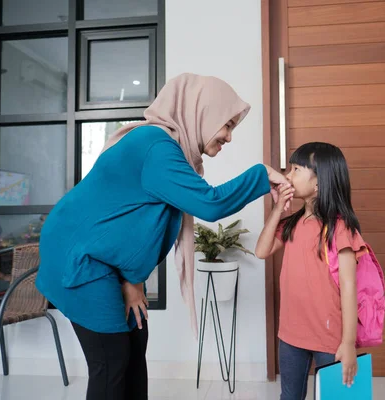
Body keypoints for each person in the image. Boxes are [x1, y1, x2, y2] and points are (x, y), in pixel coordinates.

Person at [35, 73, 289, 400]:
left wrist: (132, 280)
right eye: (226, 124)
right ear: (201, 112)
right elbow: (209, 204)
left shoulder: (169, 152)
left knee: (135, 339)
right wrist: (261, 174)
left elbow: (134, 225)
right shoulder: (156, 148)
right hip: (78, 261)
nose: (228, 136)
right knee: (111, 361)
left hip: (101, 258)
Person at [255, 142, 365, 400]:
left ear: (319, 183)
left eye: (295, 170)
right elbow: (261, 251)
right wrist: (277, 208)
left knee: (334, 397)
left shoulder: (340, 228)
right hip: (291, 334)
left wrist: (348, 343)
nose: (288, 175)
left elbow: (349, 288)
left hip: (329, 338)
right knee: (289, 397)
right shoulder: (292, 224)